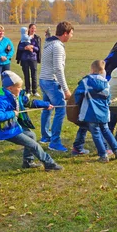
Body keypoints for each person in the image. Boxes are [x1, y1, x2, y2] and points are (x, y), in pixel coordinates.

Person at [0, 71, 63, 171]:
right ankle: (49, 163)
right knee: (34, 145)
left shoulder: (16, 95)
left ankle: (28, 162)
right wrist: (12, 113)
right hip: (7, 130)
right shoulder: (2, 99)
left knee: (32, 136)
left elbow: (28, 102)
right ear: (10, 88)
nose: (20, 89)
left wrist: (45, 104)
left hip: (14, 125)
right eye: (19, 87)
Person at [72, 60, 117, 162]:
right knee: (106, 131)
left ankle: (103, 155)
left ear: (92, 69)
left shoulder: (86, 81)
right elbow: (108, 98)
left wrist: (77, 104)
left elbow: (78, 94)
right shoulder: (106, 83)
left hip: (91, 112)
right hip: (103, 112)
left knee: (96, 133)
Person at [39, 21, 74, 151]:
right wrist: (66, 90)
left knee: (47, 108)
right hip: (51, 82)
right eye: (71, 34)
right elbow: (58, 69)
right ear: (65, 33)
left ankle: (45, 136)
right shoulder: (57, 46)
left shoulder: (49, 43)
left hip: (43, 80)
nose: (71, 36)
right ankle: (54, 142)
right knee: (60, 110)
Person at [17, 23, 42, 97]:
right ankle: (28, 91)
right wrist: (25, 48)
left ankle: (35, 91)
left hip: (33, 58)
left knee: (34, 75)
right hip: (24, 58)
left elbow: (38, 49)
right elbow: (19, 47)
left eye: (34, 28)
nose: (33, 30)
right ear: (29, 29)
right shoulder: (24, 37)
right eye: (32, 28)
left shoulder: (36, 38)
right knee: (26, 75)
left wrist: (32, 47)